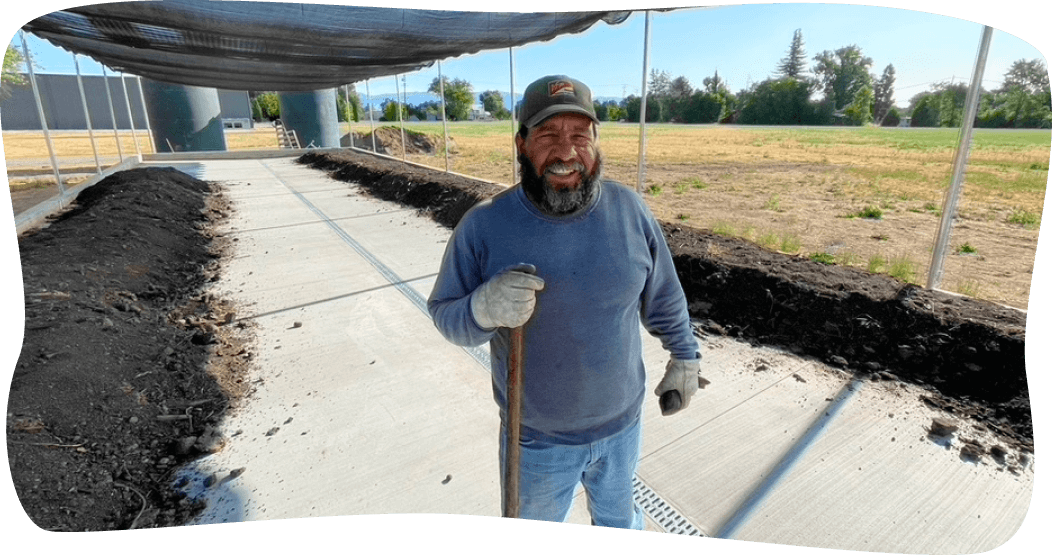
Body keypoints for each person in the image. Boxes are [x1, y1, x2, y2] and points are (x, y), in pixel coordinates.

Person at [427, 75, 704, 528]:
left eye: (580, 135)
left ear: (596, 142)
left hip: (623, 427)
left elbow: (665, 295)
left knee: (619, 521)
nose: (566, 152)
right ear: (521, 144)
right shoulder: (484, 226)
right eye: (548, 135)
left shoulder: (630, 210)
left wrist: (685, 357)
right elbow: (445, 313)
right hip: (536, 443)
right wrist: (482, 308)